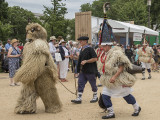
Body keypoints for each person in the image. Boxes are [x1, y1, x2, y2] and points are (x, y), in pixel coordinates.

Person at [98, 41, 141, 119]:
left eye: (103, 46)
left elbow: (121, 67)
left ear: (108, 45)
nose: (102, 48)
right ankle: (111, 112)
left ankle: (137, 108)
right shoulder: (105, 54)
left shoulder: (117, 53)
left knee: (126, 95)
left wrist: (114, 77)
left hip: (118, 79)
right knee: (105, 95)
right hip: (109, 80)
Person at [71, 36, 98, 104]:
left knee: (93, 84)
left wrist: (86, 61)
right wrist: (74, 57)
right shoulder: (81, 49)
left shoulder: (90, 49)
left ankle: (95, 96)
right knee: (80, 83)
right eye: (80, 41)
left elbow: (95, 58)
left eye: (81, 41)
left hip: (90, 70)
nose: (80, 42)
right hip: (83, 70)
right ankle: (79, 98)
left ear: (85, 41)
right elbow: (81, 59)